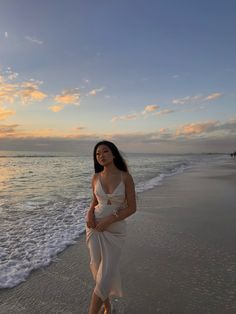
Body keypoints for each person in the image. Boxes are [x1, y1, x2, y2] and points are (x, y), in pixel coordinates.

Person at [86, 140, 136, 314]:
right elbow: (94, 202)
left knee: (106, 273)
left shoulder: (125, 177)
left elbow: (132, 207)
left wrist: (108, 220)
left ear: (113, 154)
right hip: (94, 228)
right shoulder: (95, 177)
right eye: (98, 154)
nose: (101, 156)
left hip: (115, 230)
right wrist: (88, 215)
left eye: (105, 151)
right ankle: (106, 305)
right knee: (97, 268)